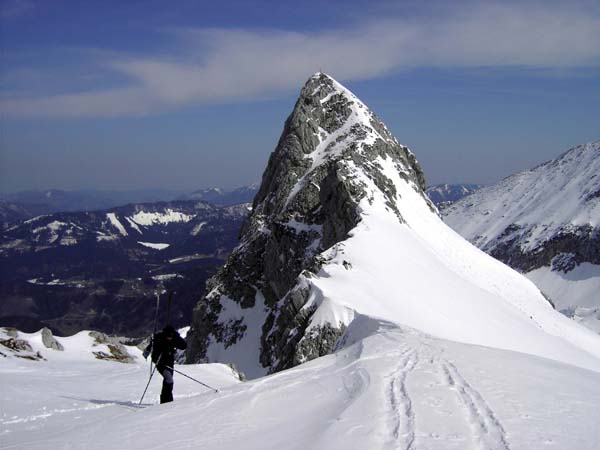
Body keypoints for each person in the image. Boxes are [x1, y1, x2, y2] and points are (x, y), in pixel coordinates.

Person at [143, 325, 187, 403]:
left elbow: (184, 346)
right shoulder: (159, 339)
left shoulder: (174, 338)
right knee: (169, 379)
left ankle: (166, 400)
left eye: (170, 337)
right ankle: (166, 401)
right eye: (167, 337)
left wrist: (177, 336)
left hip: (170, 363)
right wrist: (158, 361)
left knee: (168, 381)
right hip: (160, 363)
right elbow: (153, 352)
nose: (169, 338)